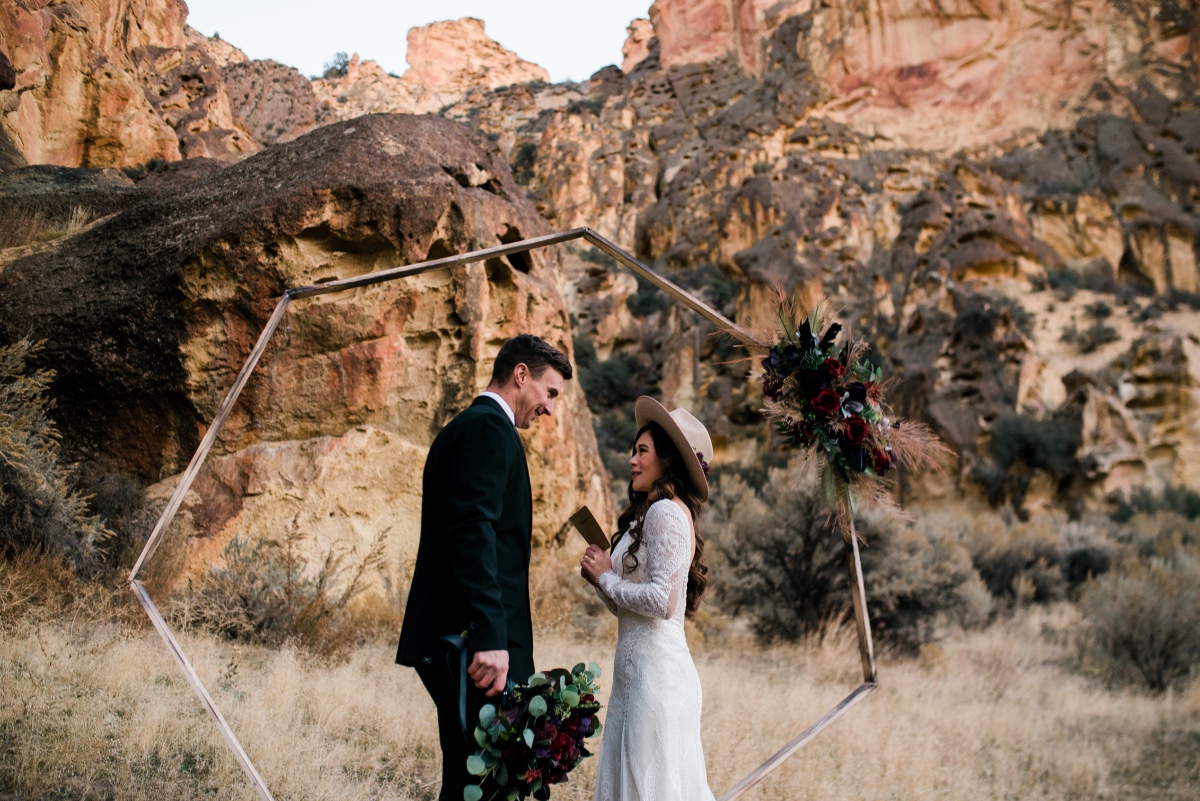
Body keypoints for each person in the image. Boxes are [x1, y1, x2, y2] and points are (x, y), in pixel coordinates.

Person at [397, 333, 573, 801]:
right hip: (473, 648)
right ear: (521, 375)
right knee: (485, 782)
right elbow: (474, 533)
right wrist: (491, 638)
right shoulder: (488, 430)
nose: (550, 408)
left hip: (466, 639)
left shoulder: (465, 428)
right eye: (549, 392)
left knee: (473, 777)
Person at [580, 396, 716, 801]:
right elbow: (631, 607)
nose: (632, 460)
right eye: (633, 450)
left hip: (657, 679)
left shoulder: (666, 514)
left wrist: (607, 576)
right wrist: (600, 580)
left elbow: (663, 602)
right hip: (635, 676)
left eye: (642, 451)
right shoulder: (650, 512)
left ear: (667, 460)